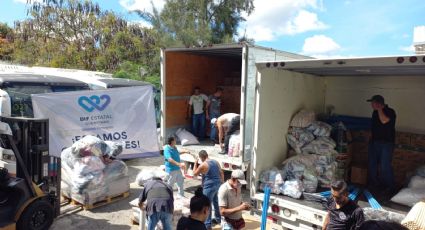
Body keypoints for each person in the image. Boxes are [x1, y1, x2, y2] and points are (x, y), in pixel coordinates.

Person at [366, 95, 397, 195]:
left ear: (379, 103)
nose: (371, 105)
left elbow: (384, 121)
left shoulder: (391, 112)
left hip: (386, 144)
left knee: (385, 166)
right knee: (372, 164)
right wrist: (370, 138)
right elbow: (374, 126)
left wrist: (380, 109)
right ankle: (375, 185)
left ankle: (390, 187)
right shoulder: (374, 112)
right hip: (374, 142)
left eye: (373, 103)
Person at [193, 150, 224, 229]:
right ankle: (219, 219)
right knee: (216, 201)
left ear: (201, 157)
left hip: (209, 187)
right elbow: (221, 172)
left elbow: (194, 174)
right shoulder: (215, 162)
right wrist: (222, 183)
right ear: (207, 155)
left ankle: (207, 225)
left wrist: (195, 162)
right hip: (217, 184)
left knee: (206, 205)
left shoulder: (203, 165)